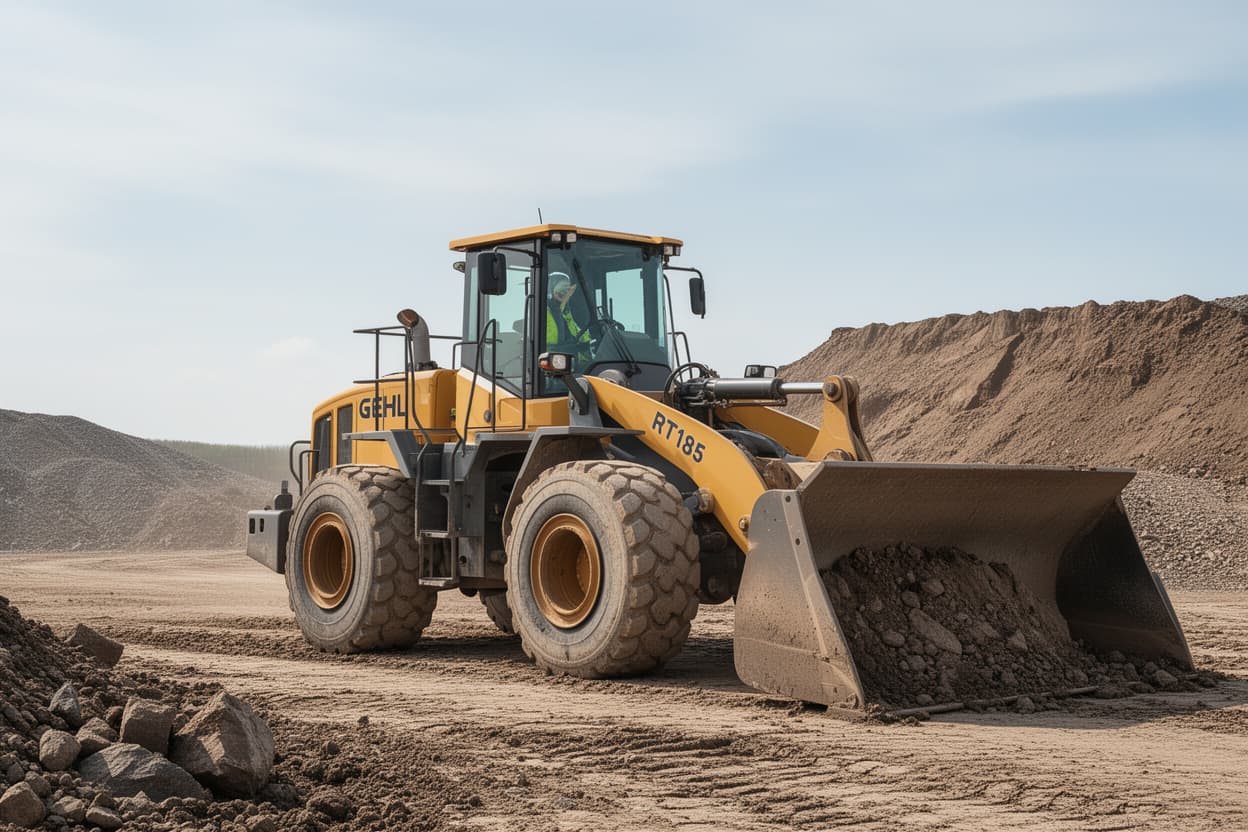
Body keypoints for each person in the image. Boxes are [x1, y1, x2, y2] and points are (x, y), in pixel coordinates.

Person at [546, 272, 593, 366]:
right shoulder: (542, 314)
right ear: (550, 289)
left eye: (567, 289)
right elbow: (541, 346)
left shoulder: (567, 316)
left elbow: (582, 341)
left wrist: (590, 345)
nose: (564, 293)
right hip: (550, 370)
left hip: (573, 369)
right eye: (561, 289)